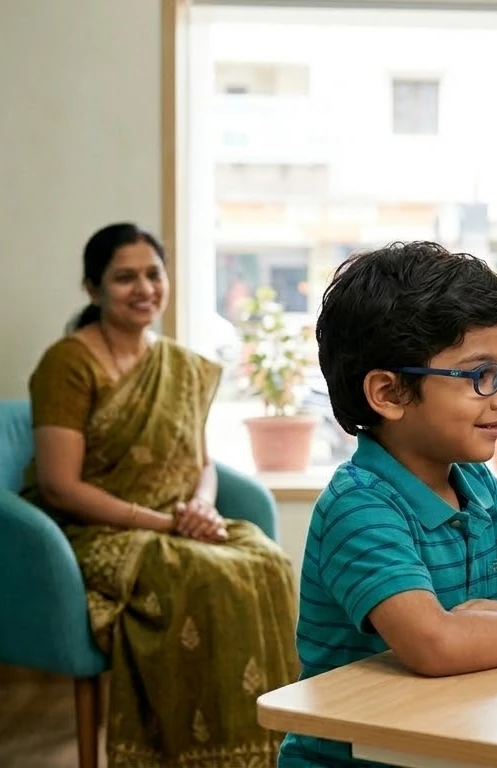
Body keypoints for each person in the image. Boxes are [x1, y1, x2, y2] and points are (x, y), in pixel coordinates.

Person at [279, 241, 497, 768]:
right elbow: (436, 644)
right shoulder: (360, 507)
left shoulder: (476, 485)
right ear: (390, 394)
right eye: (479, 375)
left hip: (446, 746)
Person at [19, 222, 299, 768]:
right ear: (92, 288)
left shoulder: (179, 364)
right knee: (206, 576)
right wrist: (165, 524)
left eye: (154, 273)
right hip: (96, 529)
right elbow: (59, 484)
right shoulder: (68, 363)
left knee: (267, 561)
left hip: (176, 520)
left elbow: (202, 463)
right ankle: (192, 754)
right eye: (125, 278)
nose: (144, 288)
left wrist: (200, 506)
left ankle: (270, 749)